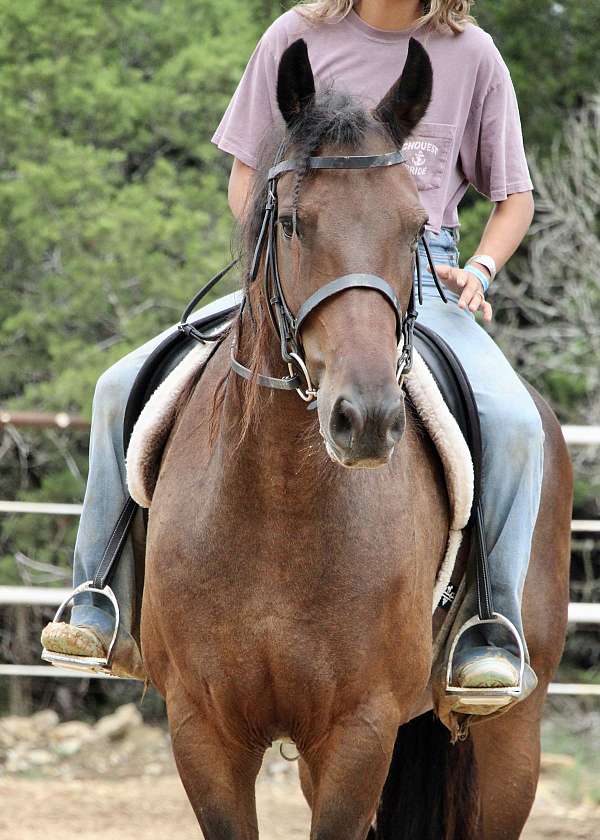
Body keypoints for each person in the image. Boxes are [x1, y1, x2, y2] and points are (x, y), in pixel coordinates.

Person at [42, 0, 542, 704]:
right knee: (117, 386)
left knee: (515, 424)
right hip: (296, 265)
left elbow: (513, 197)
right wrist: (279, 259)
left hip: (418, 269)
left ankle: (489, 627)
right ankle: (99, 598)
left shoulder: (473, 55)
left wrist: (481, 272)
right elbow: (247, 177)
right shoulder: (296, 36)